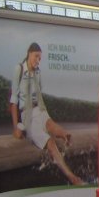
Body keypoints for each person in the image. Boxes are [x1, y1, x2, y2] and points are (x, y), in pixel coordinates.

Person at [10, 42, 84, 185]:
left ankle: (65, 136)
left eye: (40, 58)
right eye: (36, 56)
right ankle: (71, 176)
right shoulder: (19, 69)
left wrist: (48, 119)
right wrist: (15, 128)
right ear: (29, 54)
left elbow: (39, 97)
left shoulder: (38, 72)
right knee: (50, 143)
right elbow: (13, 101)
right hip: (27, 115)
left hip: (40, 110)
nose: (38, 60)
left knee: (53, 126)